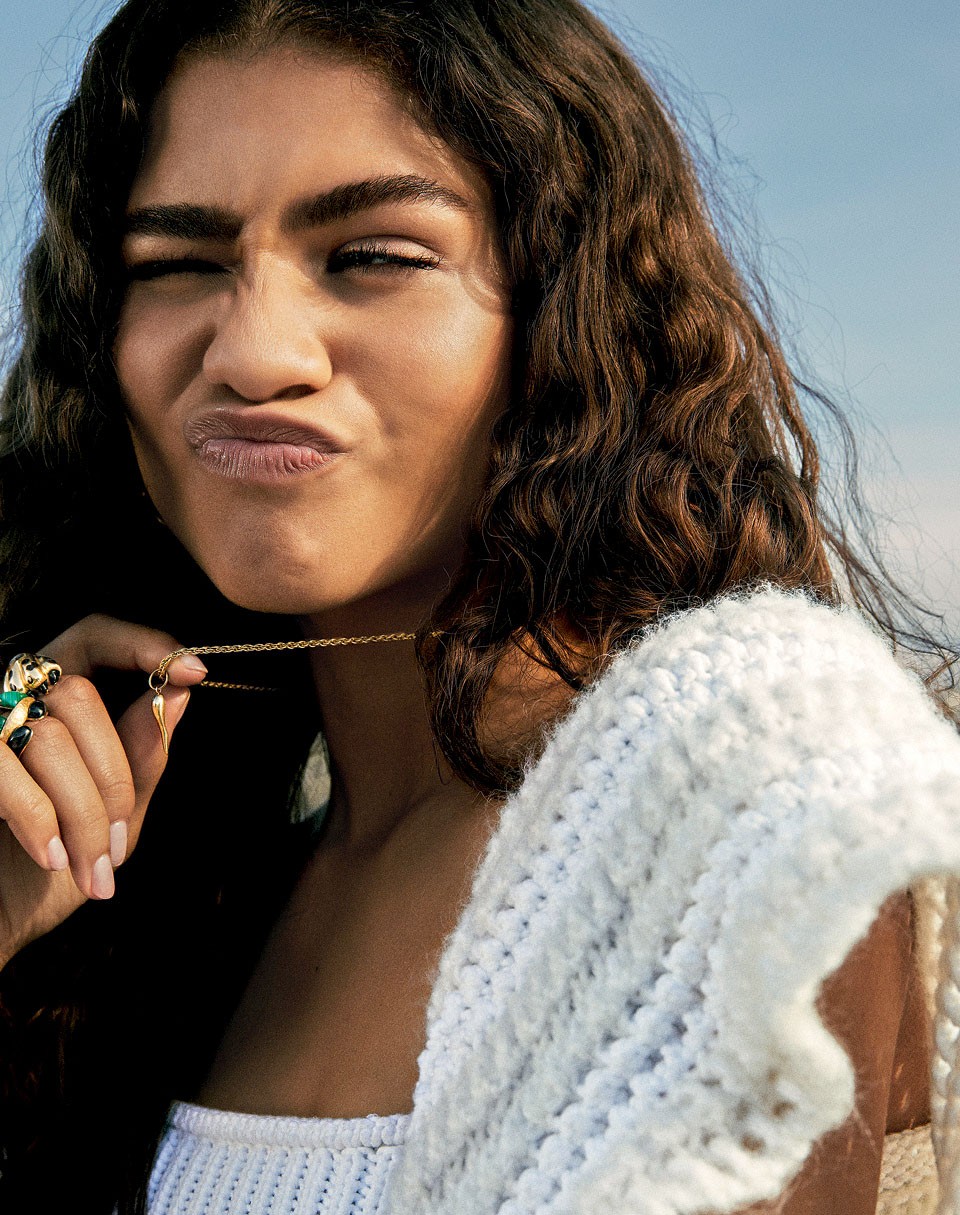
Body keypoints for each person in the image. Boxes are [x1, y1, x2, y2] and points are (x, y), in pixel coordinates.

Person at [0, 1, 957, 1213]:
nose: (252, 354)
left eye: (375, 255)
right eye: (176, 265)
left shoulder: (751, 813)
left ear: (568, 310)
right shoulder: (191, 876)